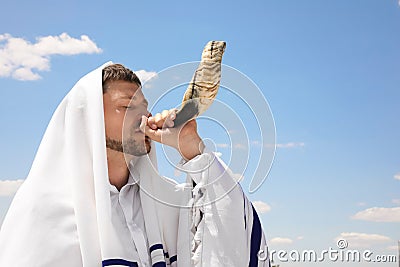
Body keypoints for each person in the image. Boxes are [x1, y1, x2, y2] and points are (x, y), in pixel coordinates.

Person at [0, 62, 271, 267]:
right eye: (126, 106)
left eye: (145, 106)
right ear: (89, 119)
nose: (144, 116)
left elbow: (233, 232)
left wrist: (192, 149)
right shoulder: (42, 212)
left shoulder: (168, 205)